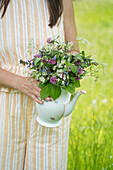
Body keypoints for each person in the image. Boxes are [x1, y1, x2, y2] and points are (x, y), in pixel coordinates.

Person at [0, 0, 79, 169]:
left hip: (50, 101)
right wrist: (19, 82)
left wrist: (60, 74)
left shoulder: (61, 1)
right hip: (5, 102)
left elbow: (74, 50)